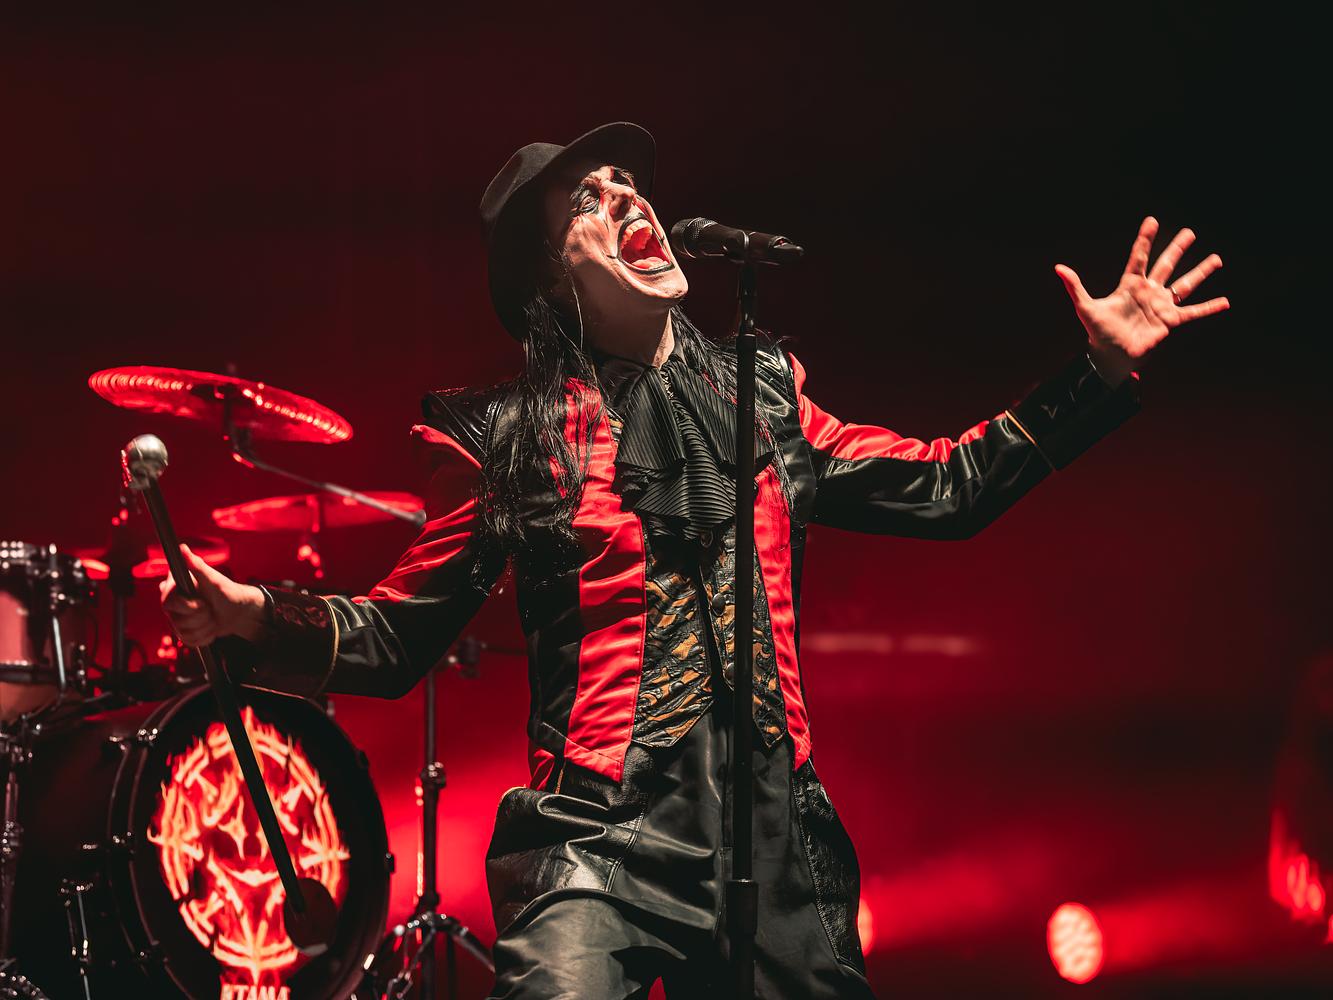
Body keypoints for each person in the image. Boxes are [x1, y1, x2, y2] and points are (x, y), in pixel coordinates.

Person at [160, 122, 1228, 998]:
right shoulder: (512, 435)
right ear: (549, 277)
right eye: (588, 199)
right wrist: (253, 610)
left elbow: (947, 487)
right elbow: (399, 632)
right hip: (599, 839)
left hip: (775, 839)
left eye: (630, 184)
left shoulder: (767, 400)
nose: (627, 198)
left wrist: (1093, 373)